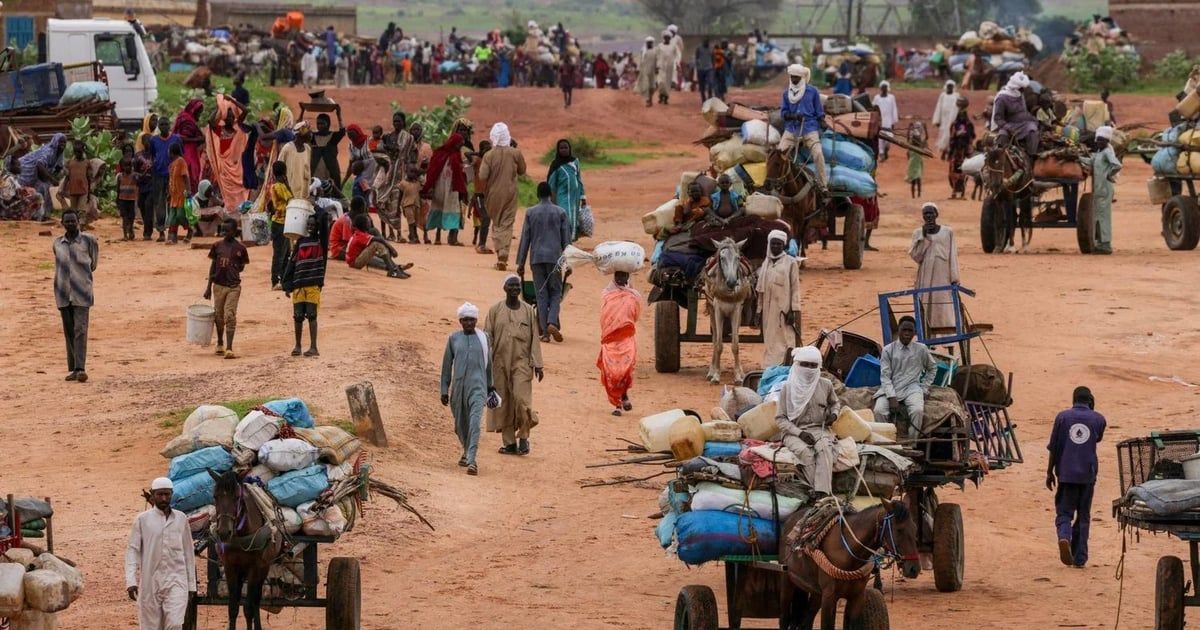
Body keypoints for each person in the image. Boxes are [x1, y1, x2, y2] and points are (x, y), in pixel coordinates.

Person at [124, 477, 196, 630]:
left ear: (171, 494)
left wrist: (191, 586)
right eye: (160, 494)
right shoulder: (142, 520)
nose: (164, 498)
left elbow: (188, 553)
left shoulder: (181, 519)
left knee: (175, 624)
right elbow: (132, 551)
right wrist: (131, 581)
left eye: (167, 494)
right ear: (152, 494)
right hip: (150, 584)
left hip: (177, 581)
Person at [1046, 386, 1106, 568]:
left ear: (1073, 399)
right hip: (1088, 474)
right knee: (1084, 516)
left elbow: (1054, 447)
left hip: (1066, 473)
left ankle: (1064, 536)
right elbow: (1097, 438)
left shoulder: (1062, 417)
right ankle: (1080, 558)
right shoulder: (1099, 419)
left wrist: (1049, 472)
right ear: (1090, 400)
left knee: (1064, 512)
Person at [485, 275, 545, 456]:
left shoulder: (528, 310)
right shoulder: (495, 310)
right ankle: (509, 443)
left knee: (521, 400)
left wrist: (538, 364)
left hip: (522, 363)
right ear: (504, 288)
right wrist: (484, 363)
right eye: (511, 286)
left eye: (517, 286)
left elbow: (535, 338)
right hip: (499, 363)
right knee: (504, 403)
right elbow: (487, 338)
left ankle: (524, 435)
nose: (514, 289)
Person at [776, 346, 842, 497]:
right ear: (797, 365)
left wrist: (834, 415)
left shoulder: (825, 384)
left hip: (820, 429)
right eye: (805, 365)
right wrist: (800, 433)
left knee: (825, 449)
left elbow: (835, 403)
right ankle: (818, 493)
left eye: (813, 365)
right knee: (806, 453)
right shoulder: (787, 388)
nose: (809, 369)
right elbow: (780, 419)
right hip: (794, 432)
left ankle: (822, 494)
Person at [440, 303, 496, 476]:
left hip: (478, 388)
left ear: (476, 320)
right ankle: (466, 451)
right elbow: (446, 366)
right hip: (458, 389)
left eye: (472, 320)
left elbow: (489, 364)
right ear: (460, 321)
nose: (469, 323)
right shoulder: (453, 339)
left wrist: (490, 386)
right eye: (465, 320)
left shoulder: (484, 338)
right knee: (460, 425)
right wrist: (444, 389)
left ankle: (472, 461)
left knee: (474, 423)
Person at [516, 181, 572, 342]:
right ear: (551, 194)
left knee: (541, 294)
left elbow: (525, 239)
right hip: (555, 259)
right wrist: (569, 263)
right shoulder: (560, 212)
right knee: (555, 292)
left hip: (536, 258)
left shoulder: (530, 212)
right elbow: (566, 241)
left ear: (538, 195)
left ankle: (545, 334)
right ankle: (552, 322)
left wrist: (521, 263)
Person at [872, 317, 935, 439]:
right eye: (904, 330)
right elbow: (885, 376)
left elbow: (932, 368)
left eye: (910, 331)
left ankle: (911, 443)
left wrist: (924, 388)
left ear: (914, 332)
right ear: (898, 330)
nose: (907, 333)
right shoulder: (888, 350)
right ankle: (885, 442)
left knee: (917, 411)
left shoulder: (921, 349)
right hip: (891, 386)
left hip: (912, 388)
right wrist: (891, 397)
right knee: (879, 411)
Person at [53, 210, 97, 383]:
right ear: (62, 223)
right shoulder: (57, 243)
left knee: (80, 330)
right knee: (69, 331)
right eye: (67, 221)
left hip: (82, 292)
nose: (71, 224)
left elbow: (93, 264)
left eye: (73, 221)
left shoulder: (89, 240)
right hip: (63, 292)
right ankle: (73, 368)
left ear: (78, 222)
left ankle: (80, 368)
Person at [202, 217, 248, 359]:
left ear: (234, 231)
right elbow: (212, 266)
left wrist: (232, 270)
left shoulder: (241, 248)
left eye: (227, 231)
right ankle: (220, 342)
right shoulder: (217, 246)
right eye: (223, 231)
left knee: (230, 315)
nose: (224, 233)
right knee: (219, 316)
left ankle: (229, 347)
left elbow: (242, 266)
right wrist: (208, 287)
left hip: (233, 287)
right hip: (218, 286)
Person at [909, 203, 959, 330]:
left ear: (936, 214)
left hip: (943, 277)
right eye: (926, 214)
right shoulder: (918, 233)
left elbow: (953, 256)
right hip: (925, 277)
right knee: (925, 305)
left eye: (931, 213)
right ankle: (927, 337)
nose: (929, 216)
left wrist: (954, 279)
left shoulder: (948, 232)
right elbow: (916, 257)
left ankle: (948, 338)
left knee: (943, 307)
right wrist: (924, 237)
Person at [756, 230, 802, 368]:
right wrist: (759, 310)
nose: (775, 246)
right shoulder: (766, 263)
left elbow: (795, 288)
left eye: (778, 244)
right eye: (773, 244)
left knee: (785, 339)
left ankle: (785, 366)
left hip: (784, 310)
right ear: (769, 244)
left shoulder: (791, 263)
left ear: (783, 245)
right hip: (768, 310)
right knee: (770, 339)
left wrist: (793, 310)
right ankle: (770, 367)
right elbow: (761, 291)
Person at [597, 271, 641, 415]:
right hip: (610, 340)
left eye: (623, 276)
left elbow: (635, 316)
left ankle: (624, 396)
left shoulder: (633, 296)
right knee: (612, 373)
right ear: (614, 277)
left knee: (625, 371)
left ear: (628, 277)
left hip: (626, 339)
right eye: (618, 276)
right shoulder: (607, 294)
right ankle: (618, 404)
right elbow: (604, 316)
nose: (621, 279)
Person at [778, 64, 828, 192]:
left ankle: (823, 186)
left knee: (818, 154)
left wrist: (822, 121)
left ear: (802, 77)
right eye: (792, 77)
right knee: (779, 153)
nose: (794, 80)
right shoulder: (786, 94)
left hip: (809, 128)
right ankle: (777, 183)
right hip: (791, 129)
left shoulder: (813, 91)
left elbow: (819, 111)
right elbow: (783, 113)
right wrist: (793, 116)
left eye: (797, 77)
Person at [283, 214, 327, 357]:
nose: (310, 227)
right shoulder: (300, 242)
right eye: (308, 224)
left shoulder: (321, 242)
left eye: (313, 225)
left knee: (312, 315)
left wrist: (316, 208)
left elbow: (324, 219)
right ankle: (298, 346)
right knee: (298, 315)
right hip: (298, 283)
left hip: (313, 284)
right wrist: (287, 284)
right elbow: (292, 262)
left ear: (318, 226)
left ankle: (314, 347)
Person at [423, 132, 469, 246]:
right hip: (440, 186)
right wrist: (429, 186)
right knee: (440, 208)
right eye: (459, 143)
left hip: (453, 188)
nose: (460, 146)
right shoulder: (440, 153)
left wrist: (462, 188)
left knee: (454, 209)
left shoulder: (457, 155)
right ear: (454, 142)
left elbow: (460, 174)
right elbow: (432, 170)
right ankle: (438, 237)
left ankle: (452, 238)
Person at [345, 209, 411, 278]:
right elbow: (380, 240)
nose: (370, 224)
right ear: (363, 225)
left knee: (379, 246)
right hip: (355, 263)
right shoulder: (360, 235)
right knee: (376, 244)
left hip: (356, 259)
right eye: (368, 222)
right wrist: (392, 249)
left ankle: (395, 269)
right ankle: (392, 271)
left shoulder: (360, 233)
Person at [1086, 126, 1121, 255]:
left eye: (1102, 140)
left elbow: (1117, 165)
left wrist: (1109, 174)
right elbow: (1090, 161)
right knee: (1097, 216)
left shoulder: (1107, 152)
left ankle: (1106, 245)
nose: (1099, 142)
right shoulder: (1099, 153)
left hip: (1105, 188)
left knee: (1103, 216)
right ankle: (1100, 243)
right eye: (1098, 139)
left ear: (1107, 141)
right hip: (1098, 190)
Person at [992, 72, 1039, 161]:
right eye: (1021, 89)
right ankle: (999, 160)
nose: (1023, 90)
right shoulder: (1002, 98)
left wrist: (1033, 119)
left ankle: (1031, 158)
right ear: (1015, 87)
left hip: (1024, 124)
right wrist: (1008, 127)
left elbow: (1023, 112)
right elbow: (998, 118)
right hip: (1008, 125)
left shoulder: (1020, 95)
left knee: (1033, 130)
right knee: (1002, 137)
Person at [18, 132, 65, 221]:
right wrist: (52, 179)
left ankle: (44, 214)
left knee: (45, 189)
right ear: (55, 142)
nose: (63, 145)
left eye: (64, 142)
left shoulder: (59, 153)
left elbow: (59, 166)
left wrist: (56, 177)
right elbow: (39, 164)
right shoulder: (49, 151)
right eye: (61, 142)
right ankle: (34, 215)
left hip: (39, 174)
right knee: (30, 192)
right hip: (26, 169)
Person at [546, 139, 585, 242]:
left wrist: (583, 196)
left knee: (574, 219)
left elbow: (579, 179)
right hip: (562, 196)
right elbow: (551, 183)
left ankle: (570, 241)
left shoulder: (575, 161)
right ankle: (564, 241)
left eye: (566, 148)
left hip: (575, 197)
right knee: (565, 218)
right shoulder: (555, 165)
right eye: (561, 148)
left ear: (569, 149)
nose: (564, 150)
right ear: (558, 150)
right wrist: (550, 199)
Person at [268, 160, 293, 288]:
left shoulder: (276, 186)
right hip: (280, 223)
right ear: (284, 172)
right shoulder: (279, 186)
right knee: (279, 253)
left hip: (283, 222)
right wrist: (287, 183)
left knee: (286, 252)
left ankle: (282, 279)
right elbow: (290, 198)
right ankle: (276, 280)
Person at [172, 100, 204, 196]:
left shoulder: (184, 117)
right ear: (194, 110)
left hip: (186, 152)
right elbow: (181, 137)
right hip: (188, 153)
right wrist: (197, 139)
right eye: (198, 112)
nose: (199, 115)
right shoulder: (188, 121)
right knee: (190, 175)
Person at [947, 96, 976, 199]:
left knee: (962, 171)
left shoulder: (965, 124)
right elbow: (952, 137)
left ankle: (959, 193)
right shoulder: (960, 124)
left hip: (962, 150)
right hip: (958, 150)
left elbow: (971, 137)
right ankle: (956, 192)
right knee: (955, 171)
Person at [309, 112, 346, 192]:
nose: (319, 126)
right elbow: (299, 131)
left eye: (322, 123)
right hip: (316, 169)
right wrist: (302, 112)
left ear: (328, 124)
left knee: (331, 190)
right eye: (318, 123)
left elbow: (342, 131)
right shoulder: (313, 137)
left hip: (331, 170)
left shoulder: (333, 137)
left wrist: (339, 115)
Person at [165, 143, 191, 244]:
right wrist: (169, 193)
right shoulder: (171, 165)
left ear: (172, 152)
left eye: (168, 151)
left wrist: (188, 190)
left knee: (180, 215)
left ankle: (190, 229)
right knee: (172, 217)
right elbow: (171, 180)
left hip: (181, 194)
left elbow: (185, 176)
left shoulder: (181, 161)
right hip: (173, 195)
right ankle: (172, 237)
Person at [278, 124, 312, 200]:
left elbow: (308, 168)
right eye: (308, 133)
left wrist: (308, 184)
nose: (310, 135)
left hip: (303, 186)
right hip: (289, 186)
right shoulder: (288, 148)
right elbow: (279, 168)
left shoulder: (307, 148)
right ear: (300, 135)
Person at [931, 80, 959, 159]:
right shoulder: (942, 95)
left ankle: (949, 152)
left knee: (950, 135)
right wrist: (937, 120)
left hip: (952, 119)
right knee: (943, 134)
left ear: (953, 87)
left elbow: (957, 108)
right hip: (943, 120)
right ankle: (943, 151)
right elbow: (938, 107)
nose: (949, 88)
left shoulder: (956, 95)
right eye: (948, 86)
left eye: (951, 86)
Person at [63, 140, 91, 212]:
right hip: (73, 191)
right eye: (76, 152)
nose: (77, 154)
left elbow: (88, 178)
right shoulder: (70, 163)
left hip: (83, 191)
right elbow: (67, 177)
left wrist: (89, 192)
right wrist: (63, 189)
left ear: (83, 151)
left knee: (81, 210)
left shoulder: (87, 163)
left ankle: (81, 219)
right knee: (73, 211)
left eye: (79, 152)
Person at [873, 81, 899, 160]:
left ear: (887, 89)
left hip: (888, 121)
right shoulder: (877, 98)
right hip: (880, 121)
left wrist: (894, 121)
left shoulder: (891, 97)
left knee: (889, 138)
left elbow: (894, 109)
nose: (884, 89)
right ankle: (881, 153)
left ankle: (886, 149)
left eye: (885, 87)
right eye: (883, 87)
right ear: (881, 88)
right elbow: (873, 108)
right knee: (880, 137)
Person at [117, 155, 139, 240]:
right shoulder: (119, 176)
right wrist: (117, 199)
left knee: (131, 217)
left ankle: (130, 229)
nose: (127, 167)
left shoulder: (134, 175)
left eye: (129, 165)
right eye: (125, 166)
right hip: (122, 199)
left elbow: (139, 180)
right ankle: (125, 235)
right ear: (122, 167)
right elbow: (118, 188)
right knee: (124, 217)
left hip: (131, 200)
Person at [636, 37, 658, 107]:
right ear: (646, 43)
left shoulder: (655, 51)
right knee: (646, 85)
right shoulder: (643, 50)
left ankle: (650, 99)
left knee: (652, 87)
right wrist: (638, 69)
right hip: (644, 71)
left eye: (651, 42)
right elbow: (640, 60)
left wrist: (657, 68)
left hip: (652, 71)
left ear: (652, 43)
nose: (649, 44)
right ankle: (648, 99)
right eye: (648, 42)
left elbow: (657, 60)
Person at [906, 122, 927, 198]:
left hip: (918, 164)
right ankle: (913, 195)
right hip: (912, 165)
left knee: (918, 179)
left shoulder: (920, 146)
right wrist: (909, 128)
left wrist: (925, 129)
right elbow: (908, 137)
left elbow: (926, 138)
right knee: (913, 181)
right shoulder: (911, 146)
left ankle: (918, 194)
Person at [655, 31, 675, 105]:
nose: (667, 39)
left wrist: (675, 66)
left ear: (670, 38)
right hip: (661, 67)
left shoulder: (673, 47)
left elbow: (675, 57)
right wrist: (656, 66)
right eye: (665, 37)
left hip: (669, 68)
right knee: (661, 82)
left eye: (668, 37)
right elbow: (656, 56)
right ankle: (661, 95)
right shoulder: (659, 46)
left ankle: (666, 97)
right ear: (663, 38)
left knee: (667, 83)